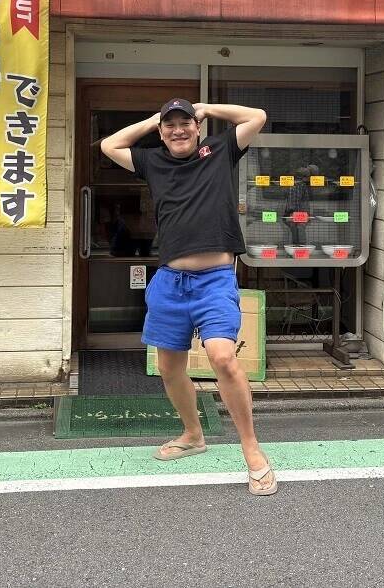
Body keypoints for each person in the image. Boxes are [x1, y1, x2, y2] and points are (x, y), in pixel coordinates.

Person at [100, 98, 275, 496]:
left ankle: (252, 449)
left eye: (185, 123)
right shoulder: (151, 161)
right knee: (169, 367)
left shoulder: (220, 150)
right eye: (170, 125)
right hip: (170, 281)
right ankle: (193, 434)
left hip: (215, 280)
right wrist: (152, 120)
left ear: (197, 128)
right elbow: (109, 145)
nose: (178, 130)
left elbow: (258, 116)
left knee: (222, 358)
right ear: (162, 132)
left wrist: (208, 108)